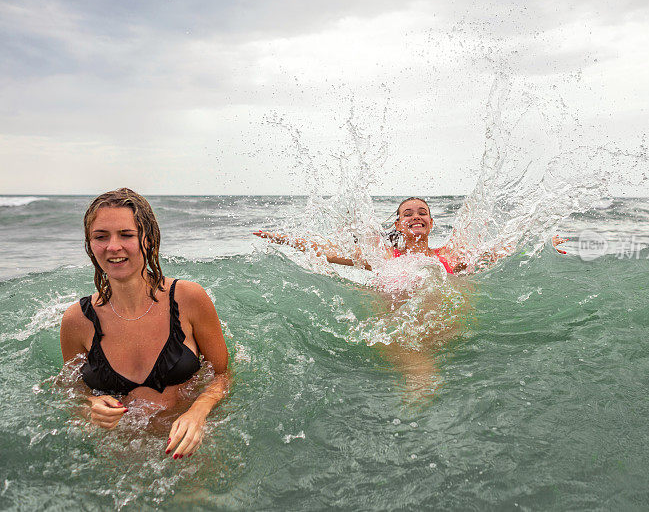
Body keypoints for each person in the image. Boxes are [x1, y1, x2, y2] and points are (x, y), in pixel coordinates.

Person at [59, 188, 229, 459]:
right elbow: (71, 390)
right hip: (118, 459)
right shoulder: (77, 320)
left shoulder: (188, 298)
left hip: (188, 451)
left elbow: (222, 376)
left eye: (126, 235)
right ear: (90, 244)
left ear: (149, 240)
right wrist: (89, 404)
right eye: (101, 237)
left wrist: (198, 412)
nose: (113, 247)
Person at [254, 196, 568, 272]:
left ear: (431, 223)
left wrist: (545, 244)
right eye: (408, 214)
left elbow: (502, 252)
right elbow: (326, 251)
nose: (415, 217)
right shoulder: (382, 257)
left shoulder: (450, 257)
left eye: (422, 213)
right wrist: (281, 237)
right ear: (399, 226)